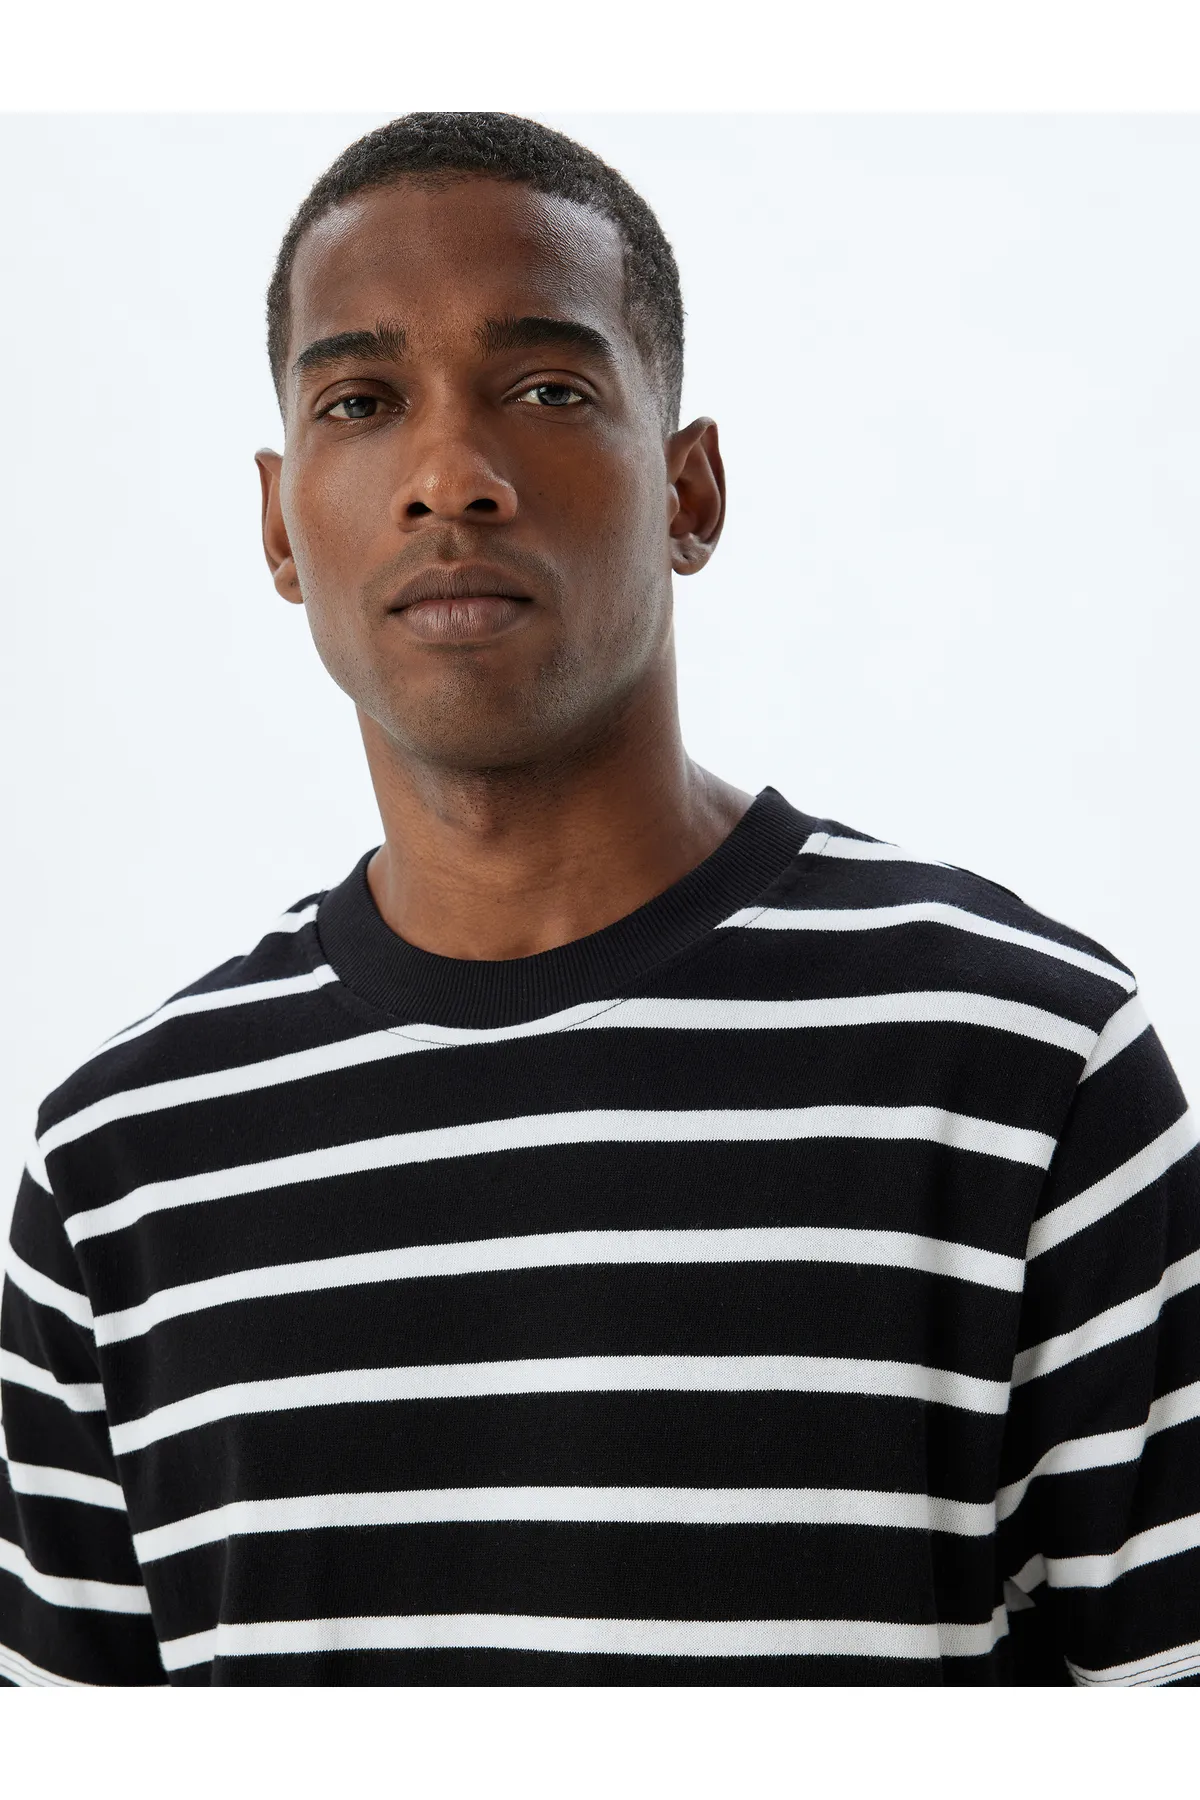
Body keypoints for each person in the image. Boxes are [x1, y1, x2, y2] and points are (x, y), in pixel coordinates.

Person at [2, 111, 1197, 1689]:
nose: (452, 476)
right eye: (361, 402)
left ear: (691, 490)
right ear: (281, 525)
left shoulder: (1023, 1071)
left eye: (549, 389)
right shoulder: (121, 1174)